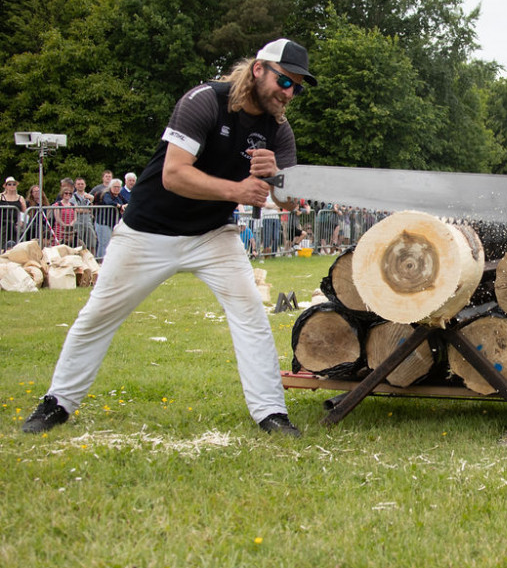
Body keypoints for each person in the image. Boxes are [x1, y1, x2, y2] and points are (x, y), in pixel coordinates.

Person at [23, 38, 317, 437]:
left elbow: (290, 203)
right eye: (286, 83)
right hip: (148, 230)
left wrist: (277, 177)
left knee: (251, 315)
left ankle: (271, 414)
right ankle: (57, 402)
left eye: (298, 88)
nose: (290, 95)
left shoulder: (279, 131)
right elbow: (174, 174)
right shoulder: (204, 101)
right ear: (258, 70)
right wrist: (235, 191)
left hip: (212, 234)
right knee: (99, 315)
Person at [70, 177, 98, 253]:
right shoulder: (72, 197)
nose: (80, 185)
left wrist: (91, 202)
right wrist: (87, 209)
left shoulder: (89, 196)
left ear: (85, 185)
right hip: (78, 223)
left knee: (92, 243)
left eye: (82, 184)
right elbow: (76, 209)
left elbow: (91, 209)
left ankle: (92, 260)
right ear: (75, 185)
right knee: (79, 244)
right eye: (78, 184)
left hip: (88, 222)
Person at [91, 170, 114, 259]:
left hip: (112, 219)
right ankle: (100, 259)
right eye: (106, 176)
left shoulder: (115, 188)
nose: (108, 178)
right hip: (100, 217)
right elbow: (90, 197)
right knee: (102, 241)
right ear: (103, 178)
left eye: (110, 176)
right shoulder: (98, 188)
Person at [1, 176, 27, 250]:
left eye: (13, 184)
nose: (12, 186)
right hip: (2, 222)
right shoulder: (1, 196)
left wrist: (21, 222)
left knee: (16, 234)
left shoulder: (20, 198)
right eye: (9, 184)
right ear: (5, 186)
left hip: (15, 223)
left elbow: (24, 211)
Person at [52, 181, 77, 246]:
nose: (68, 195)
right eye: (66, 193)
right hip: (59, 229)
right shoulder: (58, 204)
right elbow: (57, 218)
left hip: (69, 230)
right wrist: (64, 225)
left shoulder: (73, 205)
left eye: (70, 193)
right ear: (62, 194)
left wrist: (70, 225)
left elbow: (75, 218)